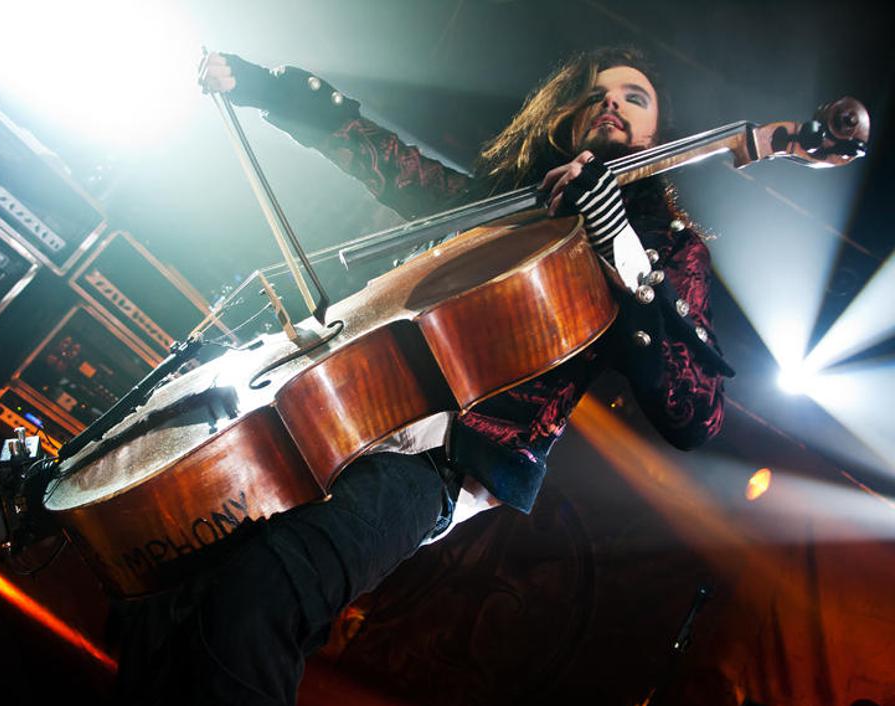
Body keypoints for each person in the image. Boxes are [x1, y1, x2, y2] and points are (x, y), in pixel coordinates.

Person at [112, 46, 733, 705]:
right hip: (343, 408)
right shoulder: (504, 201)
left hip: (436, 463)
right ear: (563, 113)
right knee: (170, 606)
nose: (611, 102)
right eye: (595, 92)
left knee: (262, 594)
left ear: (655, 134)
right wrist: (267, 86)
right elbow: (385, 158)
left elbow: (696, 411)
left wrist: (619, 243)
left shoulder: (668, 243)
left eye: (634, 97)